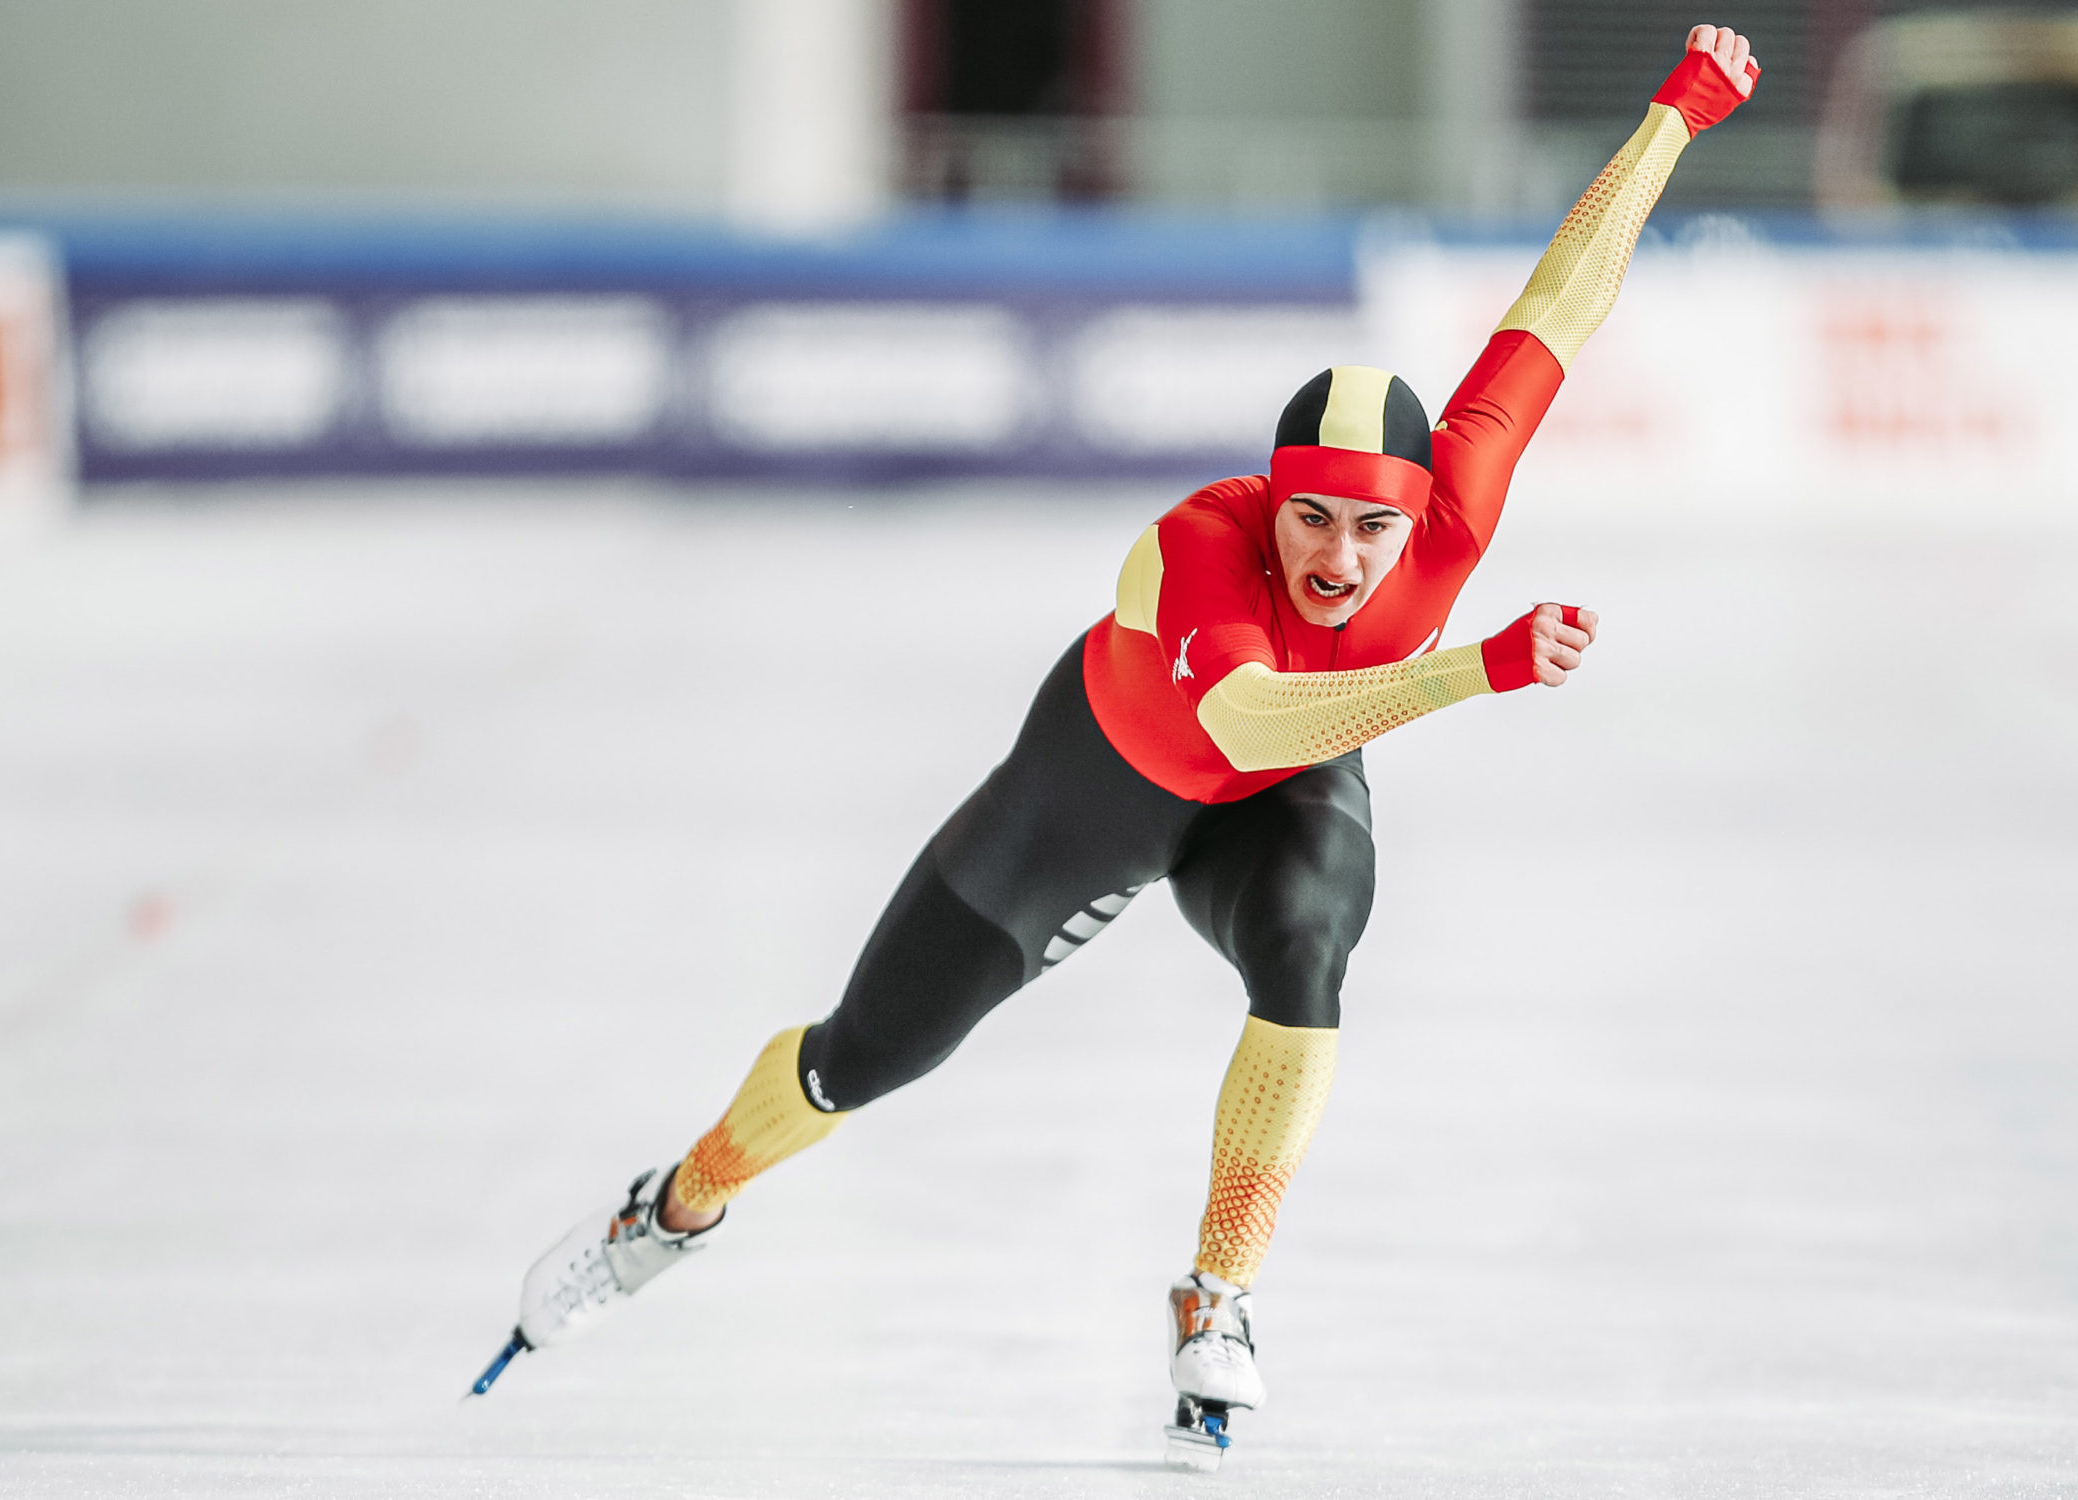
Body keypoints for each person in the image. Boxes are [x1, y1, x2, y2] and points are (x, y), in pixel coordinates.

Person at [473, 21, 1761, 1468]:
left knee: (1307, 956)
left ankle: (1221, 1292)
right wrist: (1473, 669)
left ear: (1422, 513)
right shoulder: (1199, 548)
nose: (1340, 557)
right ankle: (677, 1204)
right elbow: (1247, 716)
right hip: (1095, 791)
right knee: (858, 1063)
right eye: (1312, 518)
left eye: (1372, 526)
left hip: (1280, 790)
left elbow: (1560, 302)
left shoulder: (1457, 500)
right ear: (1269, 498)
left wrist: (1674, 117)